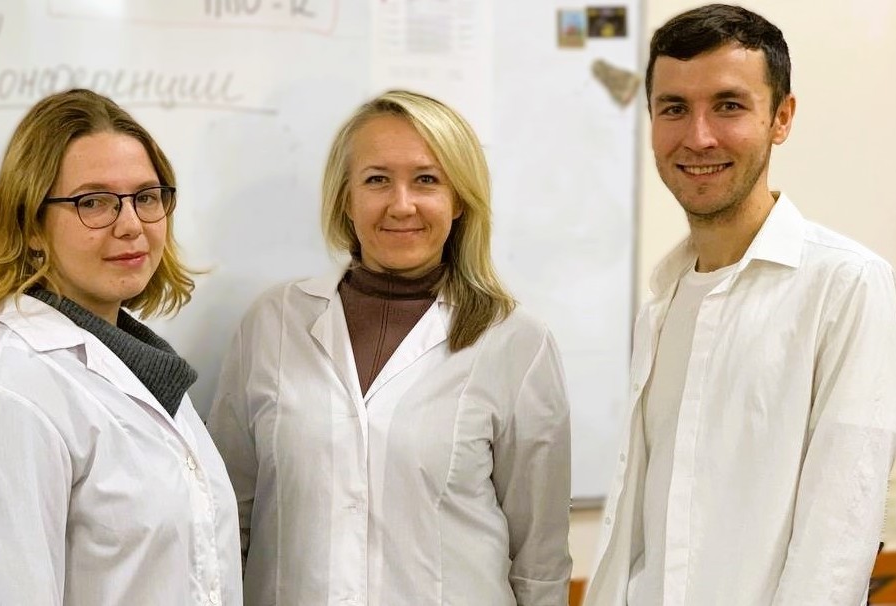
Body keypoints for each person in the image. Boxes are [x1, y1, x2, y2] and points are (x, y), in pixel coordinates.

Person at [207, 89, 573, 605]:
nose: (402, 205)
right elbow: (227, 521)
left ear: (459, 200)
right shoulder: (274, 324)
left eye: (427, 180)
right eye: (377, 180)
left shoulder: (516, 341)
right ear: (346, 199)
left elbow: (540, 560)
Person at [584, 5, 896, 606]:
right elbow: (636, 534)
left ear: (782, 118)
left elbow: (836, 543)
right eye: (674, 108)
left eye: (728, 106)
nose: (698, 137)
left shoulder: (846, 286)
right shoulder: (663, 302)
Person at [0, 89, 243, 605]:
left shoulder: (145, 365)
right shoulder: (6, 391)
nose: (131, 225)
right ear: (32, 226)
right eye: (93, 202)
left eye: (146, 197)